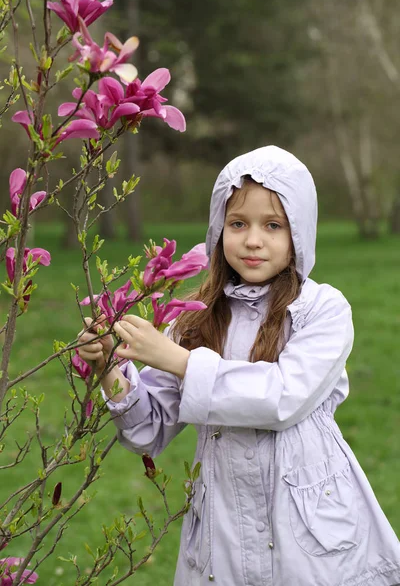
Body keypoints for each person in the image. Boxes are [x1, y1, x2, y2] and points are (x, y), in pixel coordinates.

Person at [77, 146, 400, 586]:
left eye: (273, 225)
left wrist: (179, 361)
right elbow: (146, 432)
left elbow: (282, 397)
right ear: (218, 229)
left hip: (310, 536)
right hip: (223, 537)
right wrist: (110, 369)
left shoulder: (322, 310)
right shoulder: (194, 318)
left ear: (298, 233)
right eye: (237, 224)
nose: (252, 240)